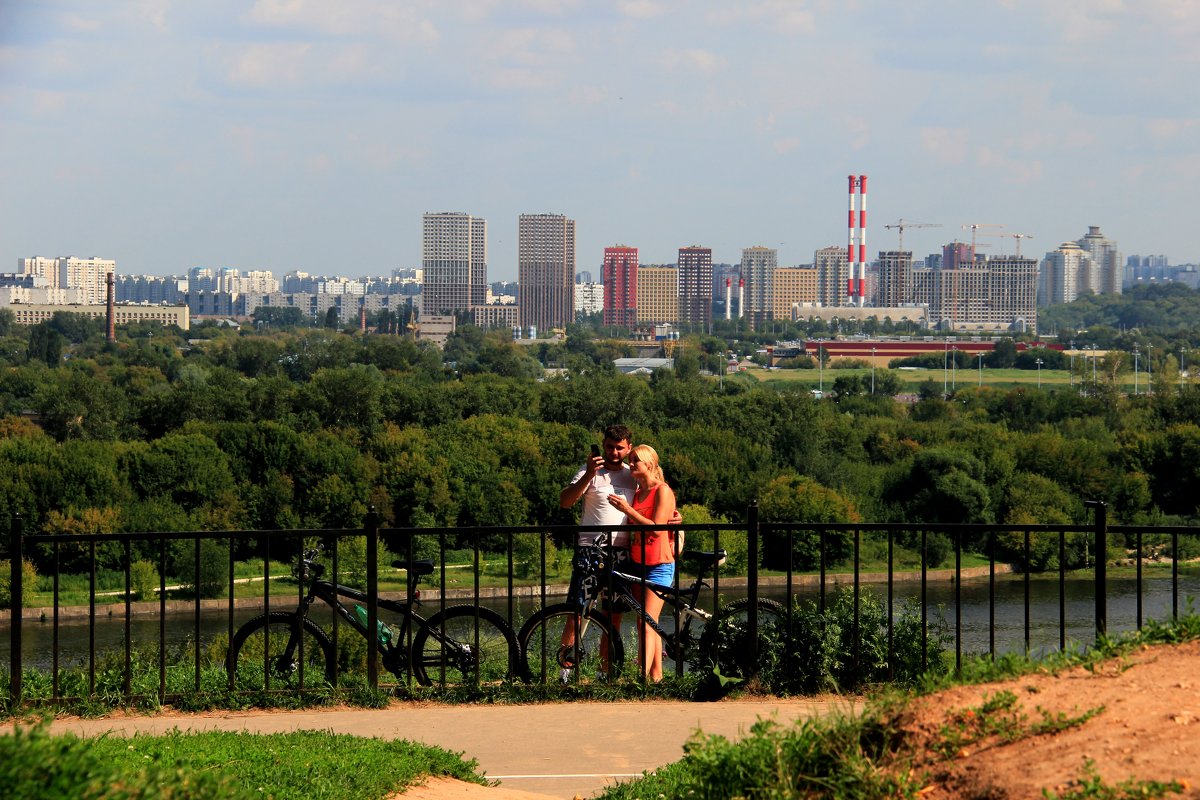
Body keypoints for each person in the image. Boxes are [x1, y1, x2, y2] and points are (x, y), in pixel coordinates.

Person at [557, 424, 637, 681]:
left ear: (629, 448)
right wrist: (589, 474)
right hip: (590, 551)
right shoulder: (589, 470)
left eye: (619, 448)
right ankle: (564, 673)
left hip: (621, 553)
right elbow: (565, 501)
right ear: (603, 445)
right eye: (609, 447)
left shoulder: (632, 475)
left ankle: (605, 672)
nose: (614, 452)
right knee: (578, 611)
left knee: (612, 615)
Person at [606, 444, 678, 683]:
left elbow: (657, 530)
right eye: (632, 459)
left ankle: (640, 681)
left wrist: (627, 510)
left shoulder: (662, 491)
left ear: (649, 464)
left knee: (646, 623)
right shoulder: (638, 493)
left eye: (636, 460)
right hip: (638, 563)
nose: (632, 463)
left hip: (659, 565)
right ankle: (657, 678)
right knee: (645, 623)